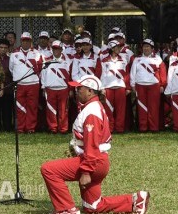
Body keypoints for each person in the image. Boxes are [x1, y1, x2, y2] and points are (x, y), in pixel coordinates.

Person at [41, 75, 150, 214]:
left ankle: (66, 210)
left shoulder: (91, 111)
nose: (77, 90)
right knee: (92, 207)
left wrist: (86, 171)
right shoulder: (93, 107)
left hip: (93, 163)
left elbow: (92, 144)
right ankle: (135, 201)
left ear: (90, 91)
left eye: (80, 88)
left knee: (49, 169)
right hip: (97, 161)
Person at [130, 38, 167, 132]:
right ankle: (143, 127)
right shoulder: (137, 59)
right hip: (140, 85)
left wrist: (162, 85)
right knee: (142, 107)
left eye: (148, 46)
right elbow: (132, 73)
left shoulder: (158, 59)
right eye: (144, 46)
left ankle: (153, 127)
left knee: (153, 107)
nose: (146, 48)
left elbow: (162, 72)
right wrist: (132, 84)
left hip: (154, 85)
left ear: (152, 48)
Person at [9, 32, 42, 133]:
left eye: (28, 40)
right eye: (24, 40)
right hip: (19, 84)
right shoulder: (14, 54)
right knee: (19, 106)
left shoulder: (37, 53)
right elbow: (11, 69)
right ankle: (20, 127)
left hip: (33, 84)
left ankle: (30, 128)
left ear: (31, 41)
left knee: (32, 106)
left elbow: (40, 68)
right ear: (21, 41)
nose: (26, 43)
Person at [40, 40, 72, 134]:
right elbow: (43, 75)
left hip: (63, 88)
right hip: (50, 88)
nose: (56, 50)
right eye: (54, 48)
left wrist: (70, 89)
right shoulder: (47, 60)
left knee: (63, 110)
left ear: (62, 49)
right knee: (50, 110)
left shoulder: (68, 60)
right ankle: (53, 128)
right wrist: (43, 87)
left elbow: (71, 76)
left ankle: (63, 129)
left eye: (58, 48)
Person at [100, 40, 130, 133]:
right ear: (111, 49)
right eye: (117, 47)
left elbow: (127, 74)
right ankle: (109, 128)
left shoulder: (124, 60)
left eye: (119, 47)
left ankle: (120, 128)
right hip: (108, 88)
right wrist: (102, 88)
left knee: (121, 110)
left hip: (120, 87)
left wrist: (128, 87)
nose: (119, 49)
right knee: (108, 109)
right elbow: (102, 75)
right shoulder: (104, 61)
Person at [0, 38, 14, 131]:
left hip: (8, 87)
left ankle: (7, 127)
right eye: (1, 47)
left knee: (7, 109)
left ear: (8, 49)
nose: (3, 49)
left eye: (5, 48)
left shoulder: (11, 59)